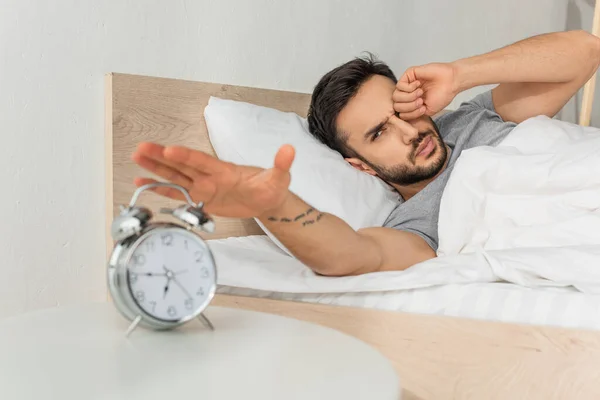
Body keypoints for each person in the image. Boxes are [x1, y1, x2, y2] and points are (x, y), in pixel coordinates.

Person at [131, 30, 600, 277]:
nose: (410, 132)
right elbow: (354, 256)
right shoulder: (418, 223)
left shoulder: (473, 118)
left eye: (400, 109)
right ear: (358, 165)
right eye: (379, 133)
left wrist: (461, 74)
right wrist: (277, 207)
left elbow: (585, 50)